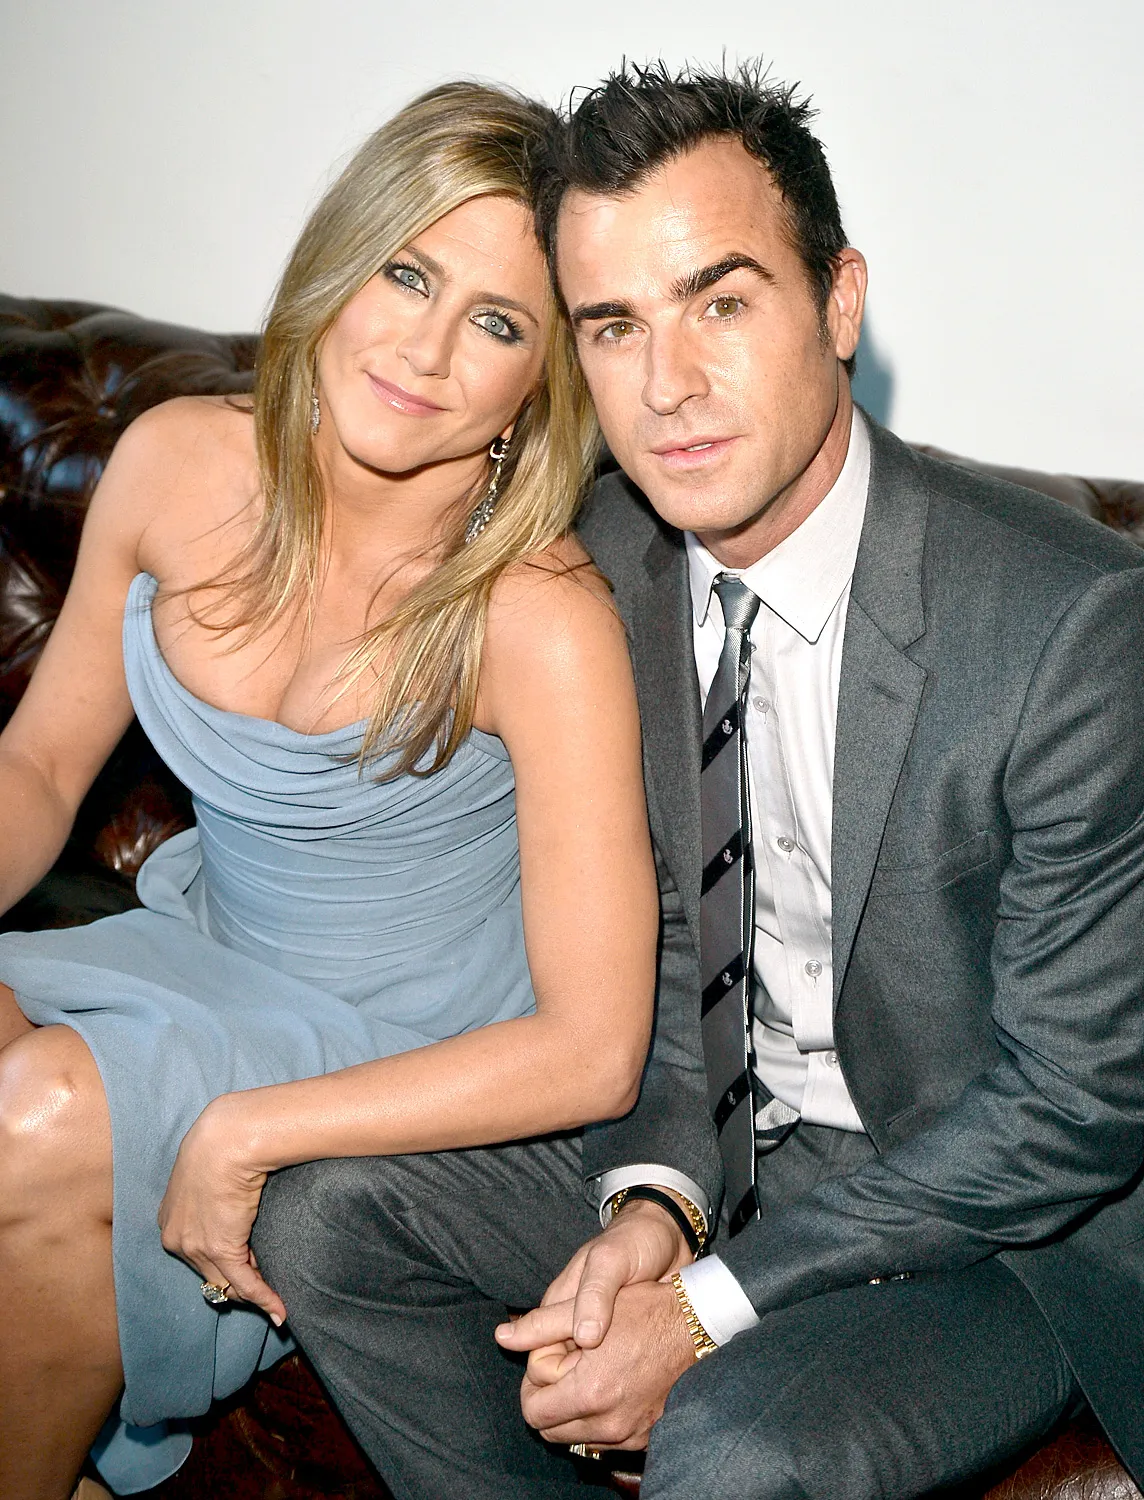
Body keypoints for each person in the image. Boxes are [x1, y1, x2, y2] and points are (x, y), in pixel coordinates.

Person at [256, 61, 1144, 1500]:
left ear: (839, 305)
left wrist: (708, 1305)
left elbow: (1074, 1102)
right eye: (614, 326)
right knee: (326, 1221)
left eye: (719, 303)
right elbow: (673, 949)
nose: (666, 387)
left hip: (999, 1221)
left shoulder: (1070, 626)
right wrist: (652, 1207)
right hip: (734, 1147)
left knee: (733, 1441)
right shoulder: (601, 562)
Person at [0, 81, 659, 1500]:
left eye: (497, 323)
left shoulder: (539, 617)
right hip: (206, 960)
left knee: (41, 1109)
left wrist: (253, 1132)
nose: (425, 349)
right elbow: (39, 763)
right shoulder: (174, 460)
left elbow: (597, 1049)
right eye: (408, 273)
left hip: (400, 1056)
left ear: (540, 384)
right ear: (341, 259)